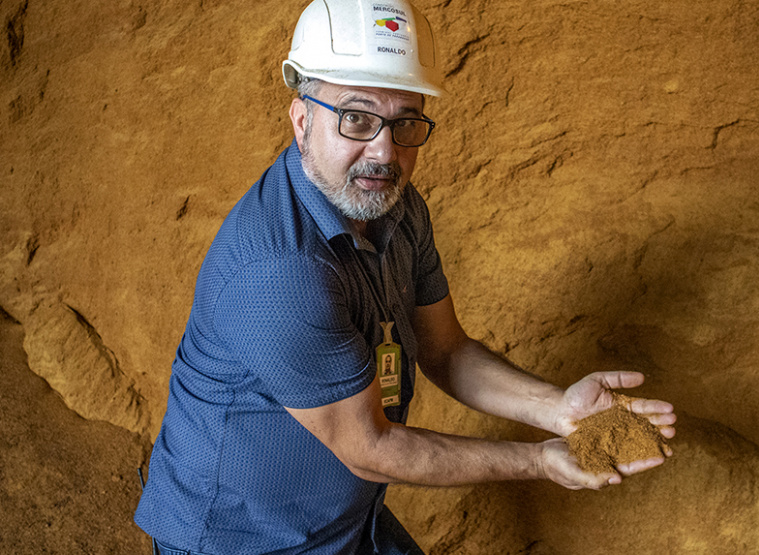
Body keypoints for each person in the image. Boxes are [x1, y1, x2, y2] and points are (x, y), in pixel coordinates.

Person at [134, 0, 677, 553]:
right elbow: (370, 447)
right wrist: (540, 459)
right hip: (243, 539)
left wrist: (558, 410)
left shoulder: (396, 208)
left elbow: (447, 351)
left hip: (347, 521)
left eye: (405, 123)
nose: (384, 151)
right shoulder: (279, 274)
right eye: (357, 118)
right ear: (303, 121)